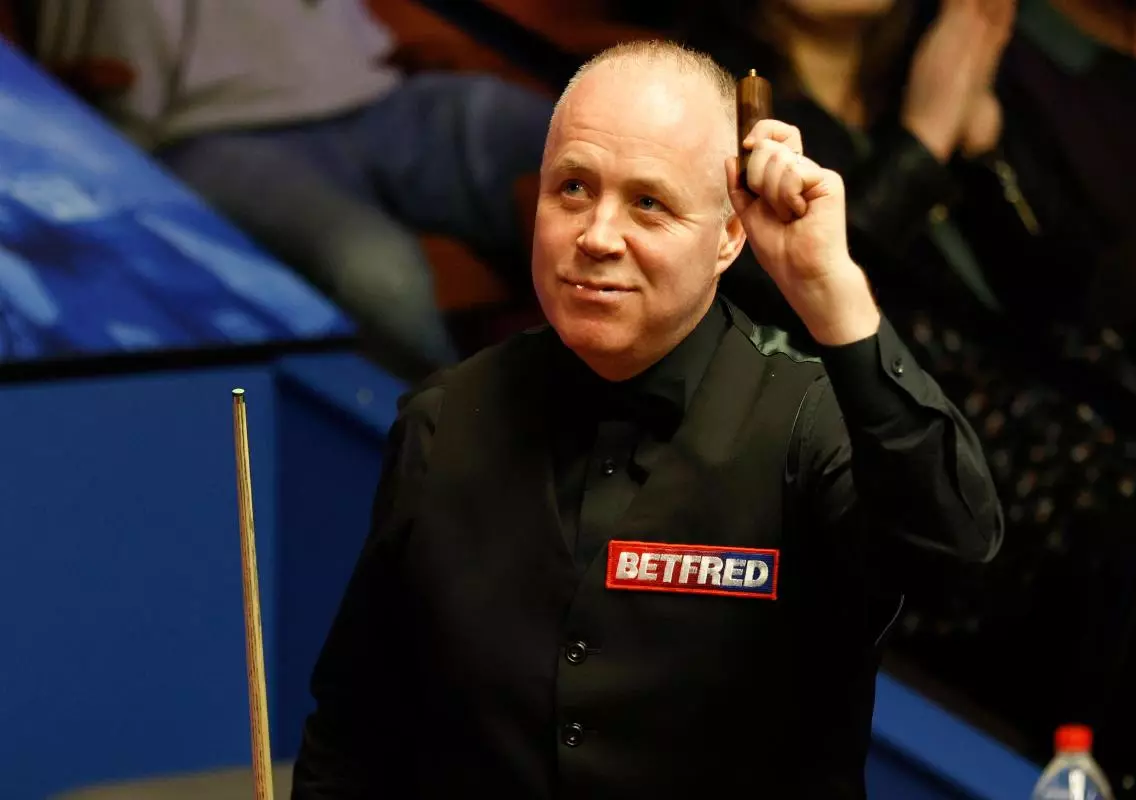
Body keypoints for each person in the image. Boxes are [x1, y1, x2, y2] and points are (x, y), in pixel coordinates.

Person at [291, 40, 1002, 799]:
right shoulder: (442, 424)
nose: (597, 236)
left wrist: (832, 288)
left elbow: (957, 565)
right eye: (572, 188)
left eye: (649, 203)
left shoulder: (811, 426)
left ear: (730, 234)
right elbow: (356, 734)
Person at [19, 0, 554, 380]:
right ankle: (451, 463)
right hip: (203, 129)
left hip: (374, 91)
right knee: (378, 271)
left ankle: (611, 414)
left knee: (589, 141)